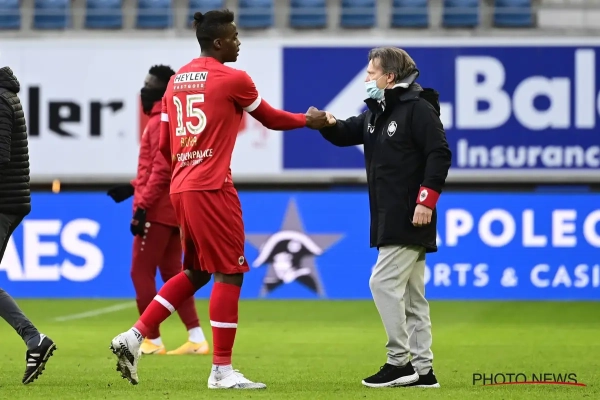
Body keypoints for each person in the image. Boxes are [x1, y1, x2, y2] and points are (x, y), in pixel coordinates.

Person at [109, 9, 329, 389]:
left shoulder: (175, 82)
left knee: (196, 273)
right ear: (218, 42)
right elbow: (271, 118)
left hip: (181, 189)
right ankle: (222, 371)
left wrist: (188, 165)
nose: (238, 42)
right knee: (230, 271)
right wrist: (307, 121)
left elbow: (164, 146)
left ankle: (134, 336)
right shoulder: (234, 79)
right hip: (212, 188)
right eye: (234, 37)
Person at [319, 47, 451, 389]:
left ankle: (399, 362)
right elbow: (346, 132)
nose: (366, 78)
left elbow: (439, 153)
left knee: (382, 283)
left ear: (389, 77)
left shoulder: (417, 108)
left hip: (409, 215)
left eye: (371, 73)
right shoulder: (377, 112)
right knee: (411, 297)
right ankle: (423, 371)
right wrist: (328, 124)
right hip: (389, 215)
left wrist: (426, 201)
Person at [107, 65, 208, 356]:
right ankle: (196, 338)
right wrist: (133, 186)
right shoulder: (173, 121)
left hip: (156, 212)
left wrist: (141, 206)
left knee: (140, 272)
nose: (144, 89)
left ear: (162, 91)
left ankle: (151, 338)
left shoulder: (156, 124)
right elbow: (160, 169)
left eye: (149, 85)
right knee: (175, 274)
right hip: (173, 211)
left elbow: (161, 170)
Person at [0, 66, 57, 384]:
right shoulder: (6, 95)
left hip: (3, 202)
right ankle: (35, 340)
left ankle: (35, 338)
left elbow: (1, 155)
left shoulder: (0, 99)